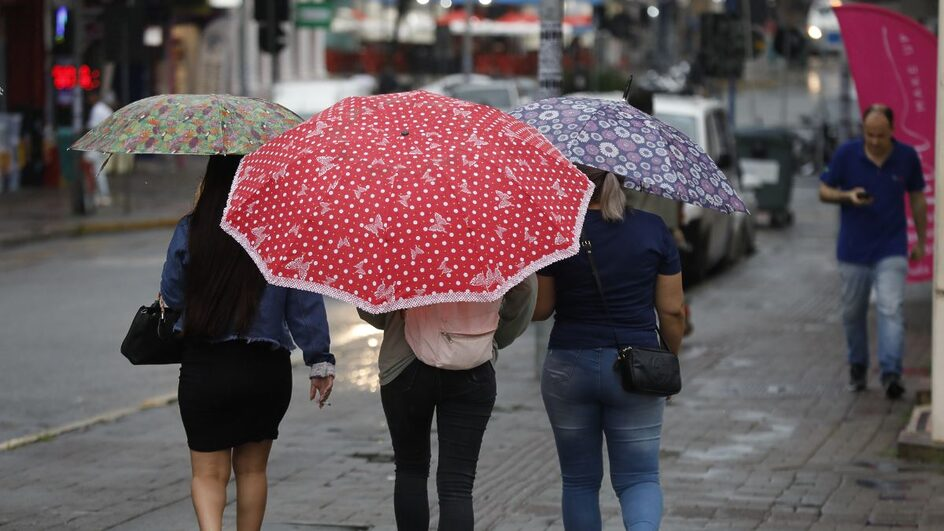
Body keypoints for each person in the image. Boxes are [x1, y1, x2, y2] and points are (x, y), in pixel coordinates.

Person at [159, 155, 335, 531]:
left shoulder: (192, 229)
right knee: (253, 471)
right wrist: (320, 361)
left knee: (208, 473)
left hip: (206, 368)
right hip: (264, 370)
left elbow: (172, 296)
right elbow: (304, 305)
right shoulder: (281, 232)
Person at [533, 165, 686, 531]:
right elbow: (672, 310)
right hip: (635, 370)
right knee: (639, 477)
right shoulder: (652, 229)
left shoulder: (560, 230)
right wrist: (669, 359)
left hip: (568, 365)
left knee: (579, 480)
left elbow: (541, 310)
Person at [357, 276, 536, 531]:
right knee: (458, 483)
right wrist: (494, 337)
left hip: (405, 364)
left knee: (410, 469)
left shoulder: (400, 237)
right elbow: (526, 288)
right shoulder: (493, 236)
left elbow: (371, 307)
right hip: (473, 363)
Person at [819, 104, 927, 399]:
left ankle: (891, 373)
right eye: (869, 134)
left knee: (891, 308)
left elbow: (917, 198)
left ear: (892, 131)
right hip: (853, 250)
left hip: (891, 247)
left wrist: (921, 239)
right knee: (853, 312)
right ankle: (858, 365)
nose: (875, 141)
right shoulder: (846, 154)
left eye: (880, 135)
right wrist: (846, 196)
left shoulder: (907, 157)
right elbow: (823, 190)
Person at [84, 90, 115, 206]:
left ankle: (102, 195)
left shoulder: (97, 109)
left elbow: (92, 128)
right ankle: (99, 195)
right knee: (97, 170)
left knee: (96, 170)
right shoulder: (104, 108)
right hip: (106, 145)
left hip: (99, 145)